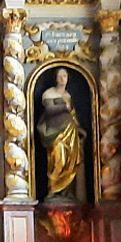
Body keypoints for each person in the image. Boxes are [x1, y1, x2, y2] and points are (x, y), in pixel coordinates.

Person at [36, 68, 85, 201]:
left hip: (70, 133)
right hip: (54, 133)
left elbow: (72, 116)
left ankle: (66, 192)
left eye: (65, 75)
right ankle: (53, 190)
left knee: (70, 163)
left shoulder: (68, 96)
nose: (63, 78)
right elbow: (50, 109)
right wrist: (64, 107)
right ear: (56, 78)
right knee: (58, 159)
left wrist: (79, 129)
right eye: (60, 76)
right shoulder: (49, 93)